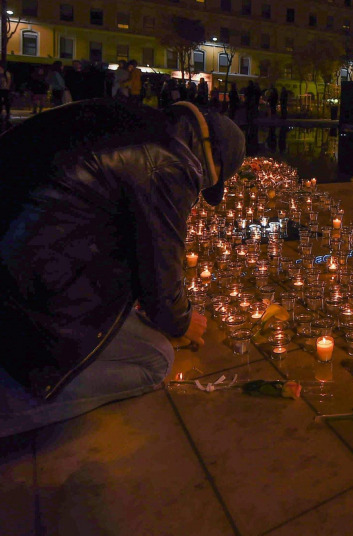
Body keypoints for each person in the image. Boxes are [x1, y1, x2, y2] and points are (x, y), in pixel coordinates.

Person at [0, 98, 246, 437]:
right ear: (213, 164)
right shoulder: (173, 162)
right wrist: (182, 321)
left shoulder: (144, 122)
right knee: (155, 359)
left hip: (22, 251)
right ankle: (15, 403)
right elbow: (162, 283)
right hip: (23, 288)